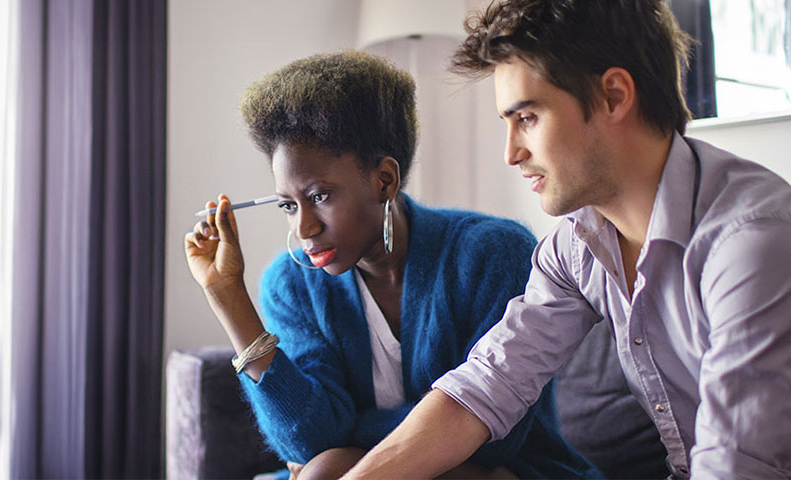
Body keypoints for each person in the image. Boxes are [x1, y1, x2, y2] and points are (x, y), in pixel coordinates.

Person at [342, 1, 791, 479]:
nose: (511, 152)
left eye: (528, 118)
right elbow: (485, 386)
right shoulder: (577, 245)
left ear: (615, 96)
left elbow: (740, 467)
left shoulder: (756, 249)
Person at [183, 50, 599, 479]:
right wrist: (228, 296)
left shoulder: (491, 253)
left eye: (319, 197)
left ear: (384, 179)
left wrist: (350, 435)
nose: (304, 228)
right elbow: (307, 441)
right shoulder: (292, 283)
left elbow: (493, 441)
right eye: (288, 205)